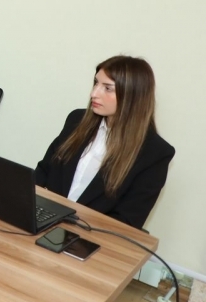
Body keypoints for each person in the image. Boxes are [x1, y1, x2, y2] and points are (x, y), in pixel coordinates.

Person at [36, 56, 175, 229]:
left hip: (89, 235)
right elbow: (43, 172)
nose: (94, 93)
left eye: (107, 88)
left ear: (132, 96)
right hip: (44, 221)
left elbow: (127, 221)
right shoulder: (76, 120)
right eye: (96, 83)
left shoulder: (155, 153)